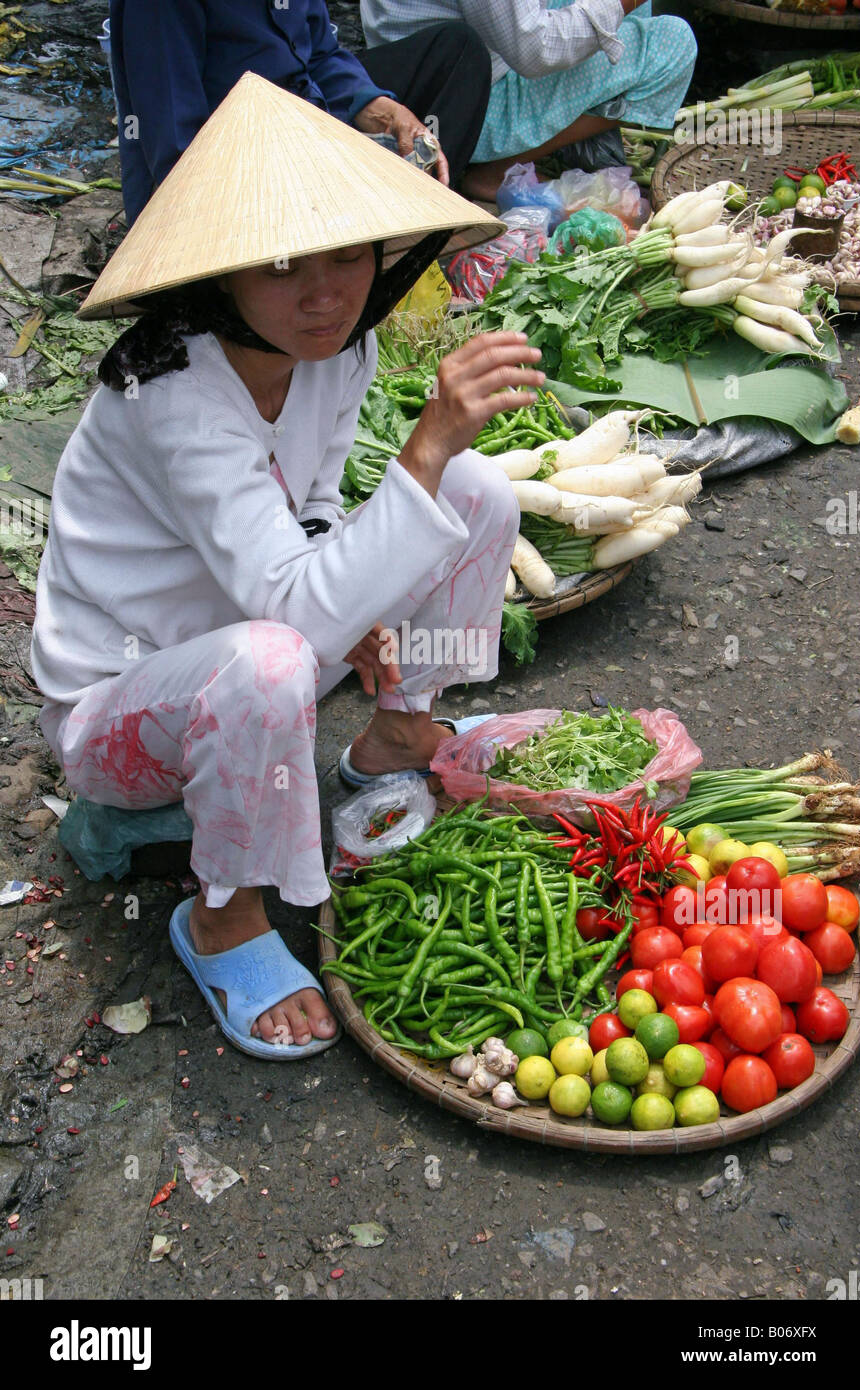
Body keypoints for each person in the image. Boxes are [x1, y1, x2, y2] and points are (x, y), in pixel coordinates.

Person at [31, 75, 533, 1062]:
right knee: (272, 653)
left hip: (259, 636)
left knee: (480, 497)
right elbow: (290, 624)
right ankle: (222, 916)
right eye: (280, 264)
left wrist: (366, 601)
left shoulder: (332, 352)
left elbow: (310, 506)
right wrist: (421, 446)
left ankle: (398, 735)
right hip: (126, 708)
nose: (323, 292)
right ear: (220, 277)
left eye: (347, 254)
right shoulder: (173, 395)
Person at [109, 0, 492, 223]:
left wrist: (380, 109)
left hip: (303, 120)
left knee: (458, 50)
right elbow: (177, 148)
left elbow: (319, 54)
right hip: (232, 171)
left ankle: (423, 226)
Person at [361, 0, 697, 202]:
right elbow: (538, 49)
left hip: (414, 66)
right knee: (674, 43)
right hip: (462, 105)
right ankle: (497, 169)